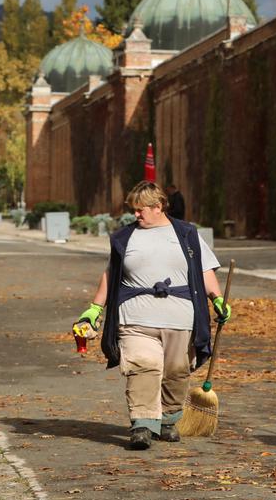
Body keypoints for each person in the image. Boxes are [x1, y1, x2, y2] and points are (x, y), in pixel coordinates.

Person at [75, 181, 231, 450]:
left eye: (140, 209)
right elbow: (111, 274)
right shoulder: (125, 237)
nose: (135, 215)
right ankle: (143, 424)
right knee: (142, 365)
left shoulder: (186, 234)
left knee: (177, 370)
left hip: (180, 318)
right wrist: (95, 308)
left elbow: (204, 270)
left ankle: (168, 419)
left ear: (158, 207)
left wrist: (216, 298)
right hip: (135, 317)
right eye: (133, 210)